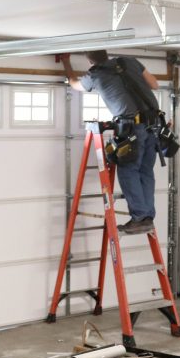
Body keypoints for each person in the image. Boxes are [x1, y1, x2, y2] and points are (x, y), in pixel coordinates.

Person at [60, 50, 161, 234]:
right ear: (107, 54)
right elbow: (154, 84)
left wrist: (66, 62)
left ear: (90, 60)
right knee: (145, 171)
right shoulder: (130, 60)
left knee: (128, 170)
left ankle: (139, 217)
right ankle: (147, 217)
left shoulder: (95, 74)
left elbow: (74, 84)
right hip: (154, 126)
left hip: (132, 128)